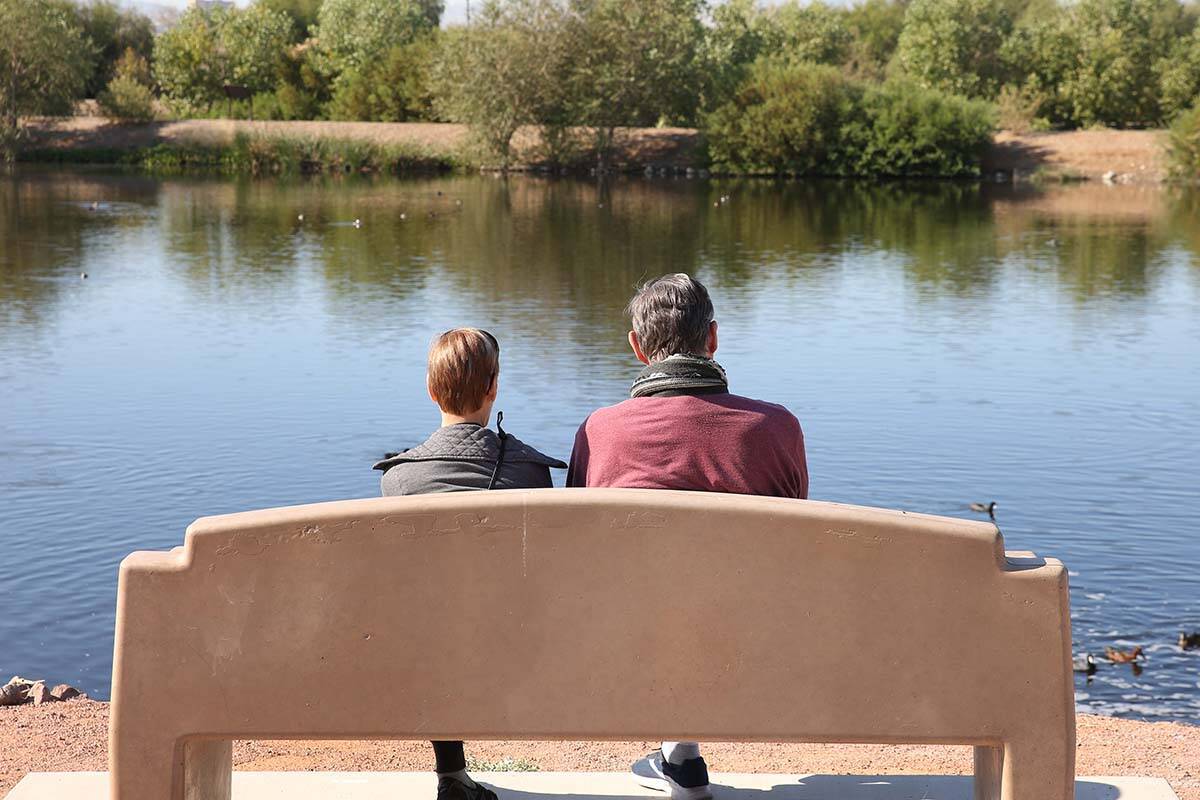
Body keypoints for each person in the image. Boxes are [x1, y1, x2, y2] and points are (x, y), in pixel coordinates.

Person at [567, 274, 809, 800]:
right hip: (756, 643)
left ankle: (679, 752)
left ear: (637, 348)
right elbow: (794, 549)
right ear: (713, 338)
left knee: (655, 597)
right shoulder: (777, 428)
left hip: (627, 645)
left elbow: (577, 556)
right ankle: (680, 754)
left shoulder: (599, 431)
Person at [373, 327, 566, 800]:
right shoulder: (532, 474)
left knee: (431, 619)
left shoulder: (398, 481)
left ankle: (451, 772)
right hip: (522, 652)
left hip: (429, 658)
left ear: (431, 390)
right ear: (493, 388)